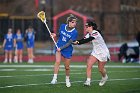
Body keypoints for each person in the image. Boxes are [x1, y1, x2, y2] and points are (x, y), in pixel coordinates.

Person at [73, 20, 110, 86]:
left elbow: (88, 39)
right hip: (95, 52)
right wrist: (76, 42)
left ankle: (105, 77)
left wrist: (78, 42)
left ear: (91, 27)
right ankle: (88, 81)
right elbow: (83, 40)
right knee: (89, 64)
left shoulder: (95, 32)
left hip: (103, 53)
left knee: (100, 69)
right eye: (85, 26)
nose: (86, 27)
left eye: (87, 26)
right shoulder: (88, 34)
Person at [50, 14, 78, 87]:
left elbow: (69, 43)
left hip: (67, 49)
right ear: (68, 22)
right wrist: (55, 35)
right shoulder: (62, 26)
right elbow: (60, 34)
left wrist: (61, 48)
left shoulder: (75, 32)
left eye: (75, 22)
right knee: (57, 62)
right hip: (59, 45)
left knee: (67, 67)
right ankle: (54, 78)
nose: (74, 24)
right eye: (73, 22)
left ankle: (67, 79)